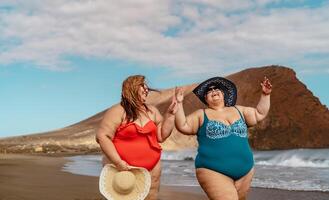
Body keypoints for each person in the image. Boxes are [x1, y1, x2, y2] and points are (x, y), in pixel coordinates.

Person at [174, 76, 272, 200]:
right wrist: (178, 103)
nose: (213, 91)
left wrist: (265, 95)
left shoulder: (239, 110)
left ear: (224, 94)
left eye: (216, 88)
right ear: (205, 98)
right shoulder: (201, 114)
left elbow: (260, 113)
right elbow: (182, 125)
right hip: (212, 170)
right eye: (208, 91)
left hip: (245, 171)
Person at [96, 75, 177, 200]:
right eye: (142, 86)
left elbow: (161, 136)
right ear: (131, 88)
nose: (146, 89)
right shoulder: (118, 110)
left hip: (152, 167)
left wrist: (171, 115)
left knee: (150, 196)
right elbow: (102, 136)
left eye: (146, 87)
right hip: (122, 166)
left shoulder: (152, 111)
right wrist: (118, 162)